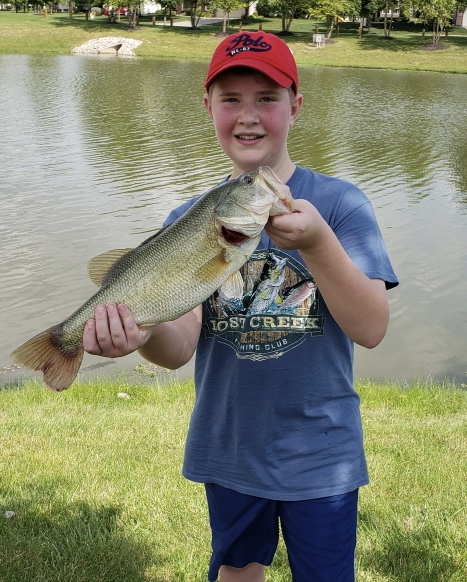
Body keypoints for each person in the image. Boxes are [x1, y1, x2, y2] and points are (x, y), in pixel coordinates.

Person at [83, 31, 398, 582]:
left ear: (295, 106)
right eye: (231, 99)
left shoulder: (341, 206)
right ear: (207, 107)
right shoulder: (186, 219)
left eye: (267, 98)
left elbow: (371, 328)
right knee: (237, 569)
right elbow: (179, 346)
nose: (248, 116)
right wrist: (143, 334)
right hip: (229, 446)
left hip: (321, 451)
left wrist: (318, 244)